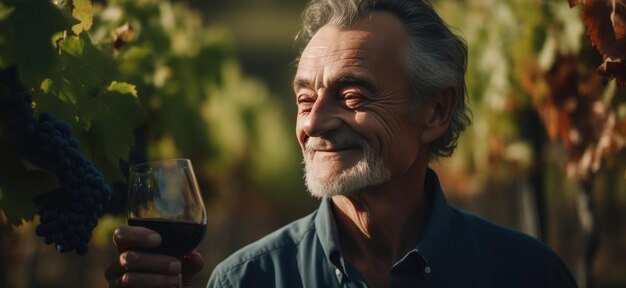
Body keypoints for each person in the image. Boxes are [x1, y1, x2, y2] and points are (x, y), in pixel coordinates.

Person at [105, 0, 579, 287]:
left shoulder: (528, 275)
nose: (314, 122)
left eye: (352, 95)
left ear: (435, 112)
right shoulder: (247, 280)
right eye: (304, 98)